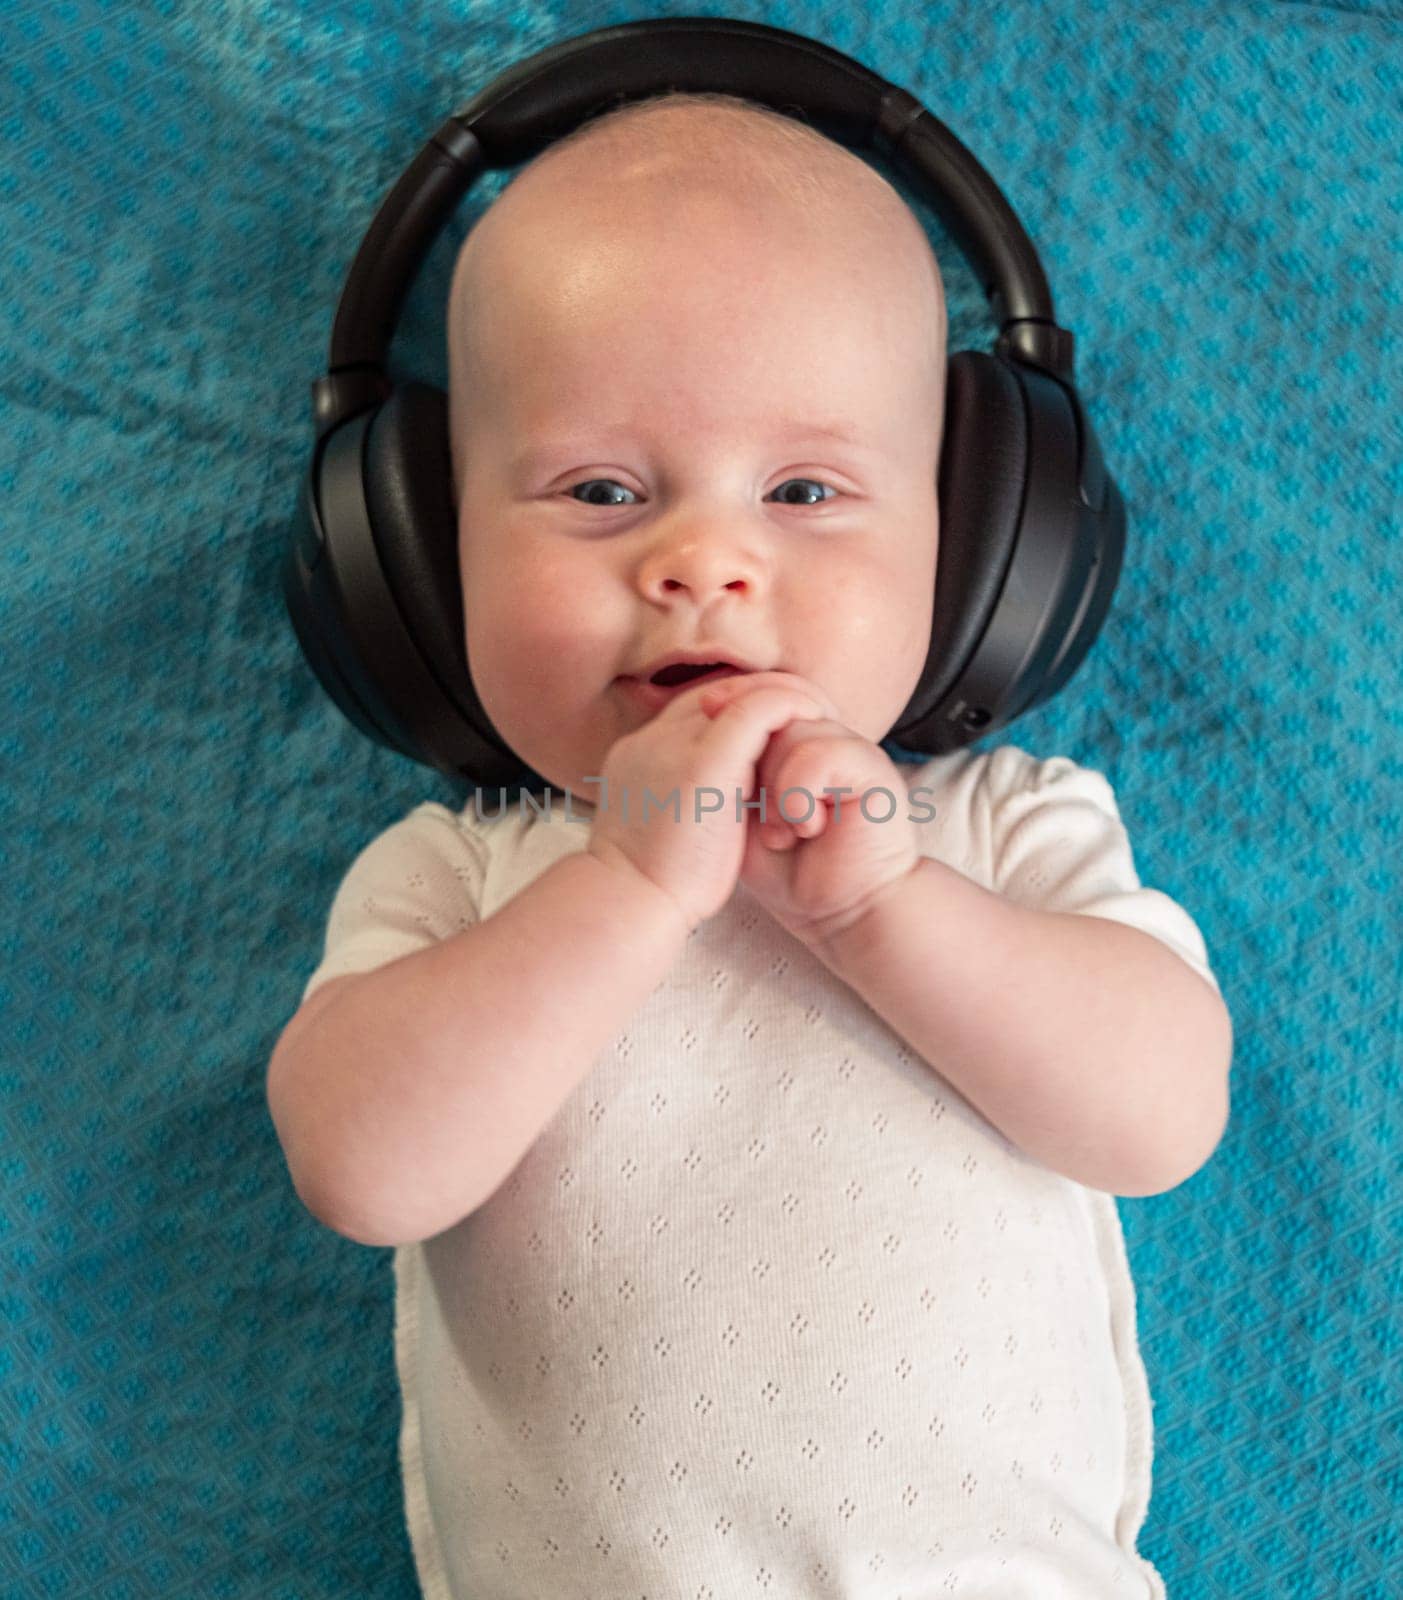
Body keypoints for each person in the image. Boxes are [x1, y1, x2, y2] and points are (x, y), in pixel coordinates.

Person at [267, 91, 1233, 1599]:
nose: (703, 565)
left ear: (983, 547)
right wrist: (624, 888)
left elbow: (1161, 1118)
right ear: (418, 558)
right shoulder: (464, 879)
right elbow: (362, 1171)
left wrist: (892, 910)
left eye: (804, 493)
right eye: (600, 492)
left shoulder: (1000, 827)